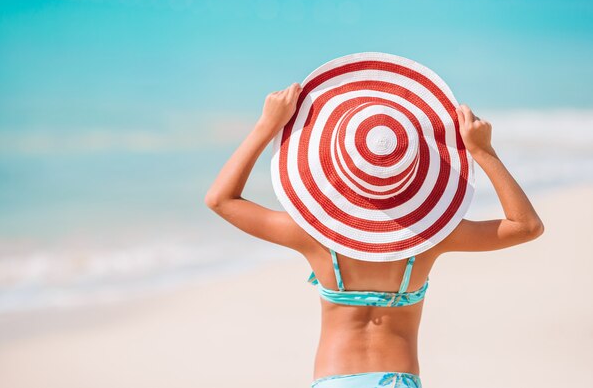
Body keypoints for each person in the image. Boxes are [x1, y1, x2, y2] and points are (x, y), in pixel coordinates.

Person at [204, 82, 544, 387]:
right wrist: (483, 151)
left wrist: (267, 125)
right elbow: (526, 226)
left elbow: (221, 199)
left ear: (335, 167)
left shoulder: (312, 236)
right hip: (399, 381)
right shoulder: (431, 237)